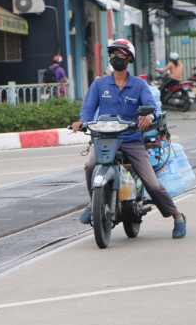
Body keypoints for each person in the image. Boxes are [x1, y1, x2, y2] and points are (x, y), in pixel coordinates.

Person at [71, 39, 187, 239]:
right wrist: (82, 122)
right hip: (104, 138)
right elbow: (88, 109)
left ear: (129, 58)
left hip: (131, 139)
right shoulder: (99, 84)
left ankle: (177, 216)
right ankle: (93, 204)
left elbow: (150, 106)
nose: (116, 57)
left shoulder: (139, 85)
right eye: (113, 54)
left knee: (152, 183)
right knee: (90, 166)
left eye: (121, 54)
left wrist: (147, 116)